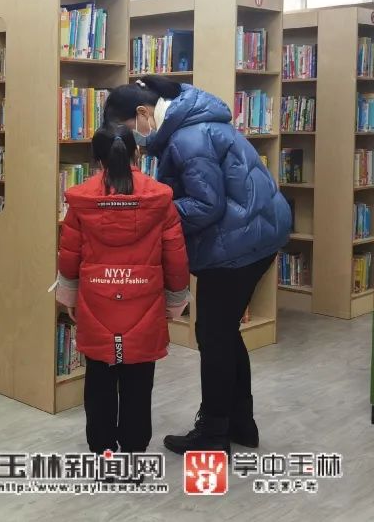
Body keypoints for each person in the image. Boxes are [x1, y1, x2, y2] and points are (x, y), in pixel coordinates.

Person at [103, 75, 292, 454]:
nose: (133, 137)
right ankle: (240, 424)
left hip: (239, 242)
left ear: (142, 113)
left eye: (128, 128)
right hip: (256, 231)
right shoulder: (191, 121)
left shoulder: (188, 137)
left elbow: (207, 204)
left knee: (213, 334)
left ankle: (214, 433)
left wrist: (151, 209)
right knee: (223, 332)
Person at [55, 123, 190, 453]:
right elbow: (175, 256)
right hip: (145, 303)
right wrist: (174, 302)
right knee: (139, 385)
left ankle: (102, 452)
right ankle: (133, 456)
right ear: (137, 153)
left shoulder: (82, 200)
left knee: (99, 383)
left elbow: (69, 255)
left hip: (96, 301)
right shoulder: (160, 197)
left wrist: (69, 296)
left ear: (96, 160)